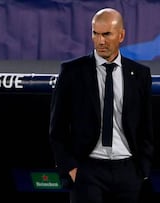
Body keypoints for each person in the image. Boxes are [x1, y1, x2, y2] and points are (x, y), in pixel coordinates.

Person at [48, 7, 154, 203]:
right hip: (88, 171)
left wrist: (142, 169)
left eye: (106, 34)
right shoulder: (72, 72)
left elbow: (147, 127)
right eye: (95, 33)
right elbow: (58, 128)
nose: (100, 41)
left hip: (129, 172)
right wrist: (71, 169)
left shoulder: (140, 74)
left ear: (121, 35)